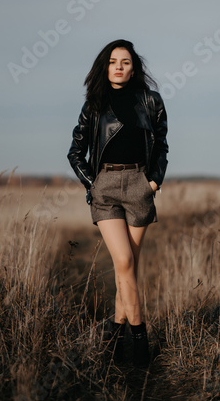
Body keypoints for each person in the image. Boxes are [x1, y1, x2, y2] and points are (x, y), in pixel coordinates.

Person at [67, 39, 169, 367]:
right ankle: (140, 345)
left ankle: (113, 340)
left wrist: (153, 181)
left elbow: (162, 144)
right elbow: (75, 151)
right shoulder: (94, 104)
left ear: (134, 67)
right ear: (105, 66)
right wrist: (93, 183)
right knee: (124, 262)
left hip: (140, 185)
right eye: (113, 62)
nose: (119, 67)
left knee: (129, 270)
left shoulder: (151, 101)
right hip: (106, 187)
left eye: (125, 62)